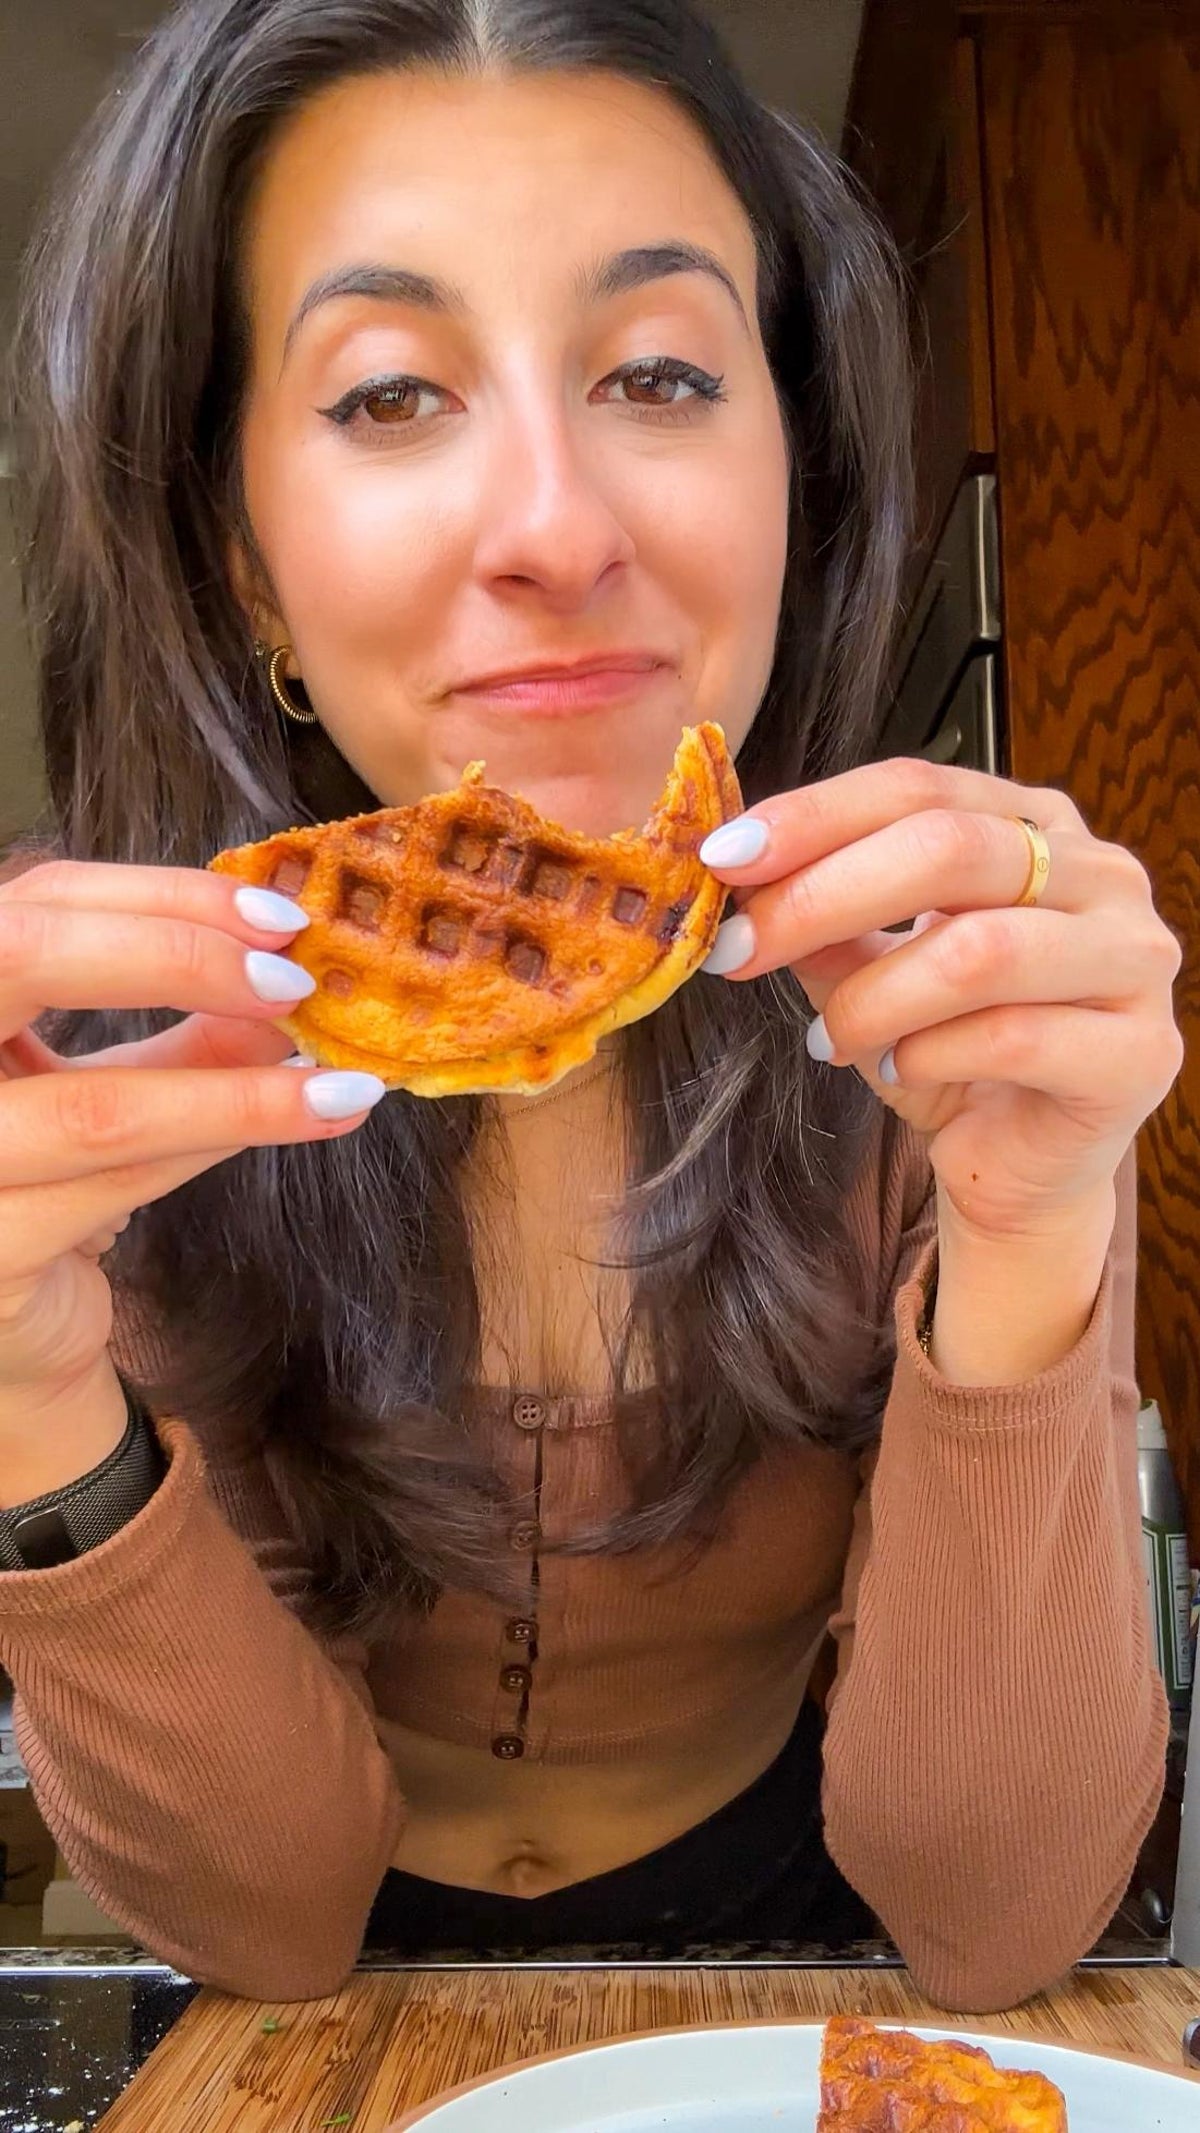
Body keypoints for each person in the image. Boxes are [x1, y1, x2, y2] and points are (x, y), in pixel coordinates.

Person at [0, 0, 1182, 2011]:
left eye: (657, 369)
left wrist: (1037, 1224)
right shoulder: (91, 1076)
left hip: (812, 1978)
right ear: (246, 557)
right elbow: (271, 1923)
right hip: (302, 2014)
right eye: (388, 395)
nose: (556, 526)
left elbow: (997, 1918)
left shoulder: (943, 1023)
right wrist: (27, 1378)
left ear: (792, 485)